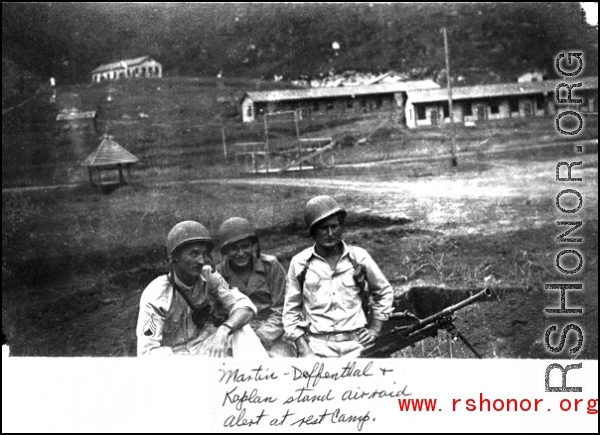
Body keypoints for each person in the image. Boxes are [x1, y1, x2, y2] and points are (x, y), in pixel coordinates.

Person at [283, 195, 394, 358]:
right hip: (317, 348)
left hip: (358, 346)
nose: (330, 233)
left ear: (341, 227)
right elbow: (290, 309)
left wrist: (375, 329)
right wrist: (303, 347)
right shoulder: (300, 263)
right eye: (323, 228)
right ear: (313, 231)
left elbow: (384, 292)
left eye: (334, 226)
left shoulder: (359, 258)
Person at [136, 220, 268, 357]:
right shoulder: (156, 294)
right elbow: (146, 353)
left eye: (204, 254)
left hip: (202, 347)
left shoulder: (209, 276)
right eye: (194, 254)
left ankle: (263, 374)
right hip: (174, 359)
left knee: (240, 329)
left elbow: (245, 306)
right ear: (175, 257)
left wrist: (224, 329)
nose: (201, 261)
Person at [215, 217, 297, 357]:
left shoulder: (271, 266)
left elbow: (283, 309)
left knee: (279, 366)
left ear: (253, 246)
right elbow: (215, 314)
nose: (240, 253)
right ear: (225, 251)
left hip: (271, 334)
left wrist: (261, 337)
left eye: (245, 246)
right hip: (236, 332)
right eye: (234, 248)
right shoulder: (218, 274)